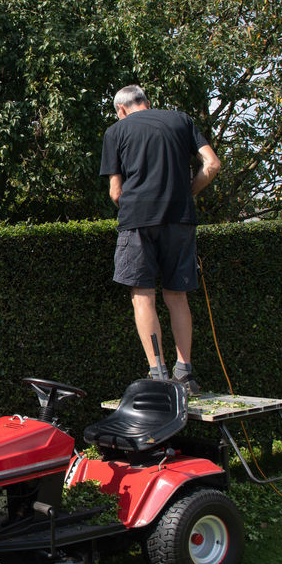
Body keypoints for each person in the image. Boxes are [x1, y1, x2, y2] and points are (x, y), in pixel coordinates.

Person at [99, 85, 221, 389]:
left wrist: (132, 203)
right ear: (147, 103)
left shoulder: (116, 131)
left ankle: (159, 375)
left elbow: (116, 191)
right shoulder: (181, 120)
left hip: (138, 221)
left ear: (122, 110)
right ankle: (185, 372)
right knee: (176, 295)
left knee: (143, 295)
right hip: (180, 219)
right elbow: (213, 164)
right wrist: (189, 192)